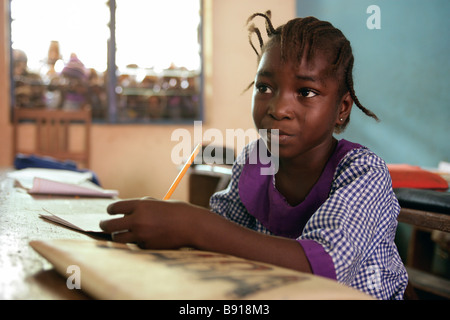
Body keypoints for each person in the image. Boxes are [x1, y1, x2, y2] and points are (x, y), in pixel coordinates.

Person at [100, 11, 408, 300]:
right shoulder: (256, 161)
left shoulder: (362, 172)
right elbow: (218, 240)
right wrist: (176, 228)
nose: (278, 109)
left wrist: (194, 225)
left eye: (305, 92)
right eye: (265, 87)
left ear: (341, 109)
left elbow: (321, 269)